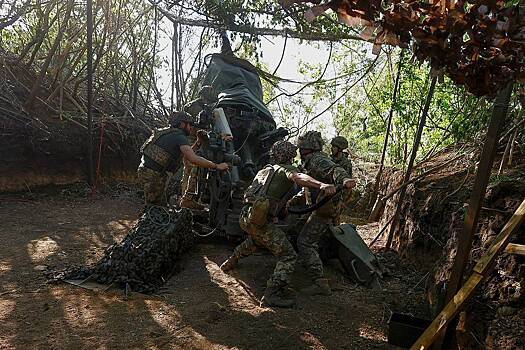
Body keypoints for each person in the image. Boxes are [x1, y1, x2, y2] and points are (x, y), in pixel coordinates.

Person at [219, 140, 336, 308]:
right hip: (259, 221)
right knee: (288, 256)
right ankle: (271, 294)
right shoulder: (285, 169)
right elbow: (298, 177)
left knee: (258, 239)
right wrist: (321, 184)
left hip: (246, 217)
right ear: (289, 156)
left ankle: (231, 261)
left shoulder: (265, 169)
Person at [292, 131, 356, 296]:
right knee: (302, 231)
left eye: (302, 147)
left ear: (307, 148)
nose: (300, 150)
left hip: (324, 208)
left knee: (305, 242)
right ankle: (310, 263)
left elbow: (335, 170)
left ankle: (319, 281)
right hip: (316, 206)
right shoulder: (311, 160)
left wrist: (344, 179)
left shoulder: (317, 160)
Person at [137, 111, 229, 206]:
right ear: (181, 124)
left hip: (147, 171)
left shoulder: (168, 133)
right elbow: (193, 159)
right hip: (153, 175)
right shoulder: (179, 136)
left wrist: (198, 142)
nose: (191, 128)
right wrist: (217, 166)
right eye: (189, 125)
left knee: (158, 205)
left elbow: (187, 155)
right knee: (155, 208)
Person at [179, 86, 219, 210]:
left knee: (188, 170)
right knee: (193, 169)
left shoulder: (190, 106)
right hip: (193, 140)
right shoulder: (198, 108)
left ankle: (186, 198)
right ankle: (187, 199)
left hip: (193, 139)